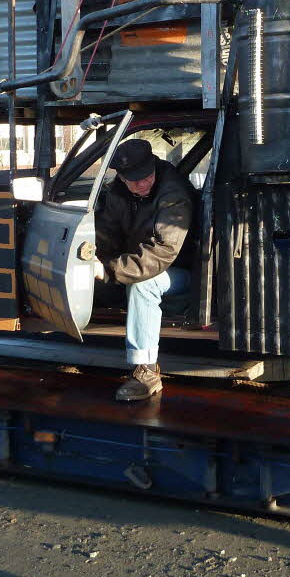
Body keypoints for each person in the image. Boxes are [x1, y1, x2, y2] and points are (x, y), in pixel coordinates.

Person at [94, 138, 193, 402]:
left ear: (154, 166)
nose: (142, 183)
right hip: (139, 264)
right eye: (133, 180)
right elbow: (107, 231)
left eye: (146, 176)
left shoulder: (173, 193)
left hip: (183, 273)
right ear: (122, 177)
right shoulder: (118, 192)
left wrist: (110, 270)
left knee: (143, 285)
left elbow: (163, 252)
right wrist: (91, 258)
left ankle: (146, 371)